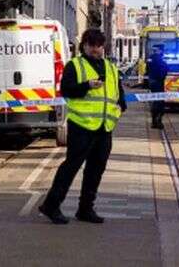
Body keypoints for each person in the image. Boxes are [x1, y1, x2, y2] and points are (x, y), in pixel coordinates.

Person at [39, 29, 125, 225]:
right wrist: (86, 85)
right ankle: (51, 205)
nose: (96, 49)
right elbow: (66, 90)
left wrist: (120, 108)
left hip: (104, 128)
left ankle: (86, 209)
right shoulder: (75, 66)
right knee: (71, 167)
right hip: (81, 126)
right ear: (84, 45)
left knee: (96, 169)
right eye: (92, 45)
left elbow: (118, 94)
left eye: (99, 45)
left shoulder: (110, 68)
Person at [147, 46, 168, 129]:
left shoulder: (150, 58)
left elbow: (147, 69)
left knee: (155, 101)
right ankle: (157, 121)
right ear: (160, 51)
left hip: (152, 82)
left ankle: (154, 121)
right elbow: (165, 70)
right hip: (158, 83)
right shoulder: (161, 60)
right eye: (162, 50)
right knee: (159, 102)